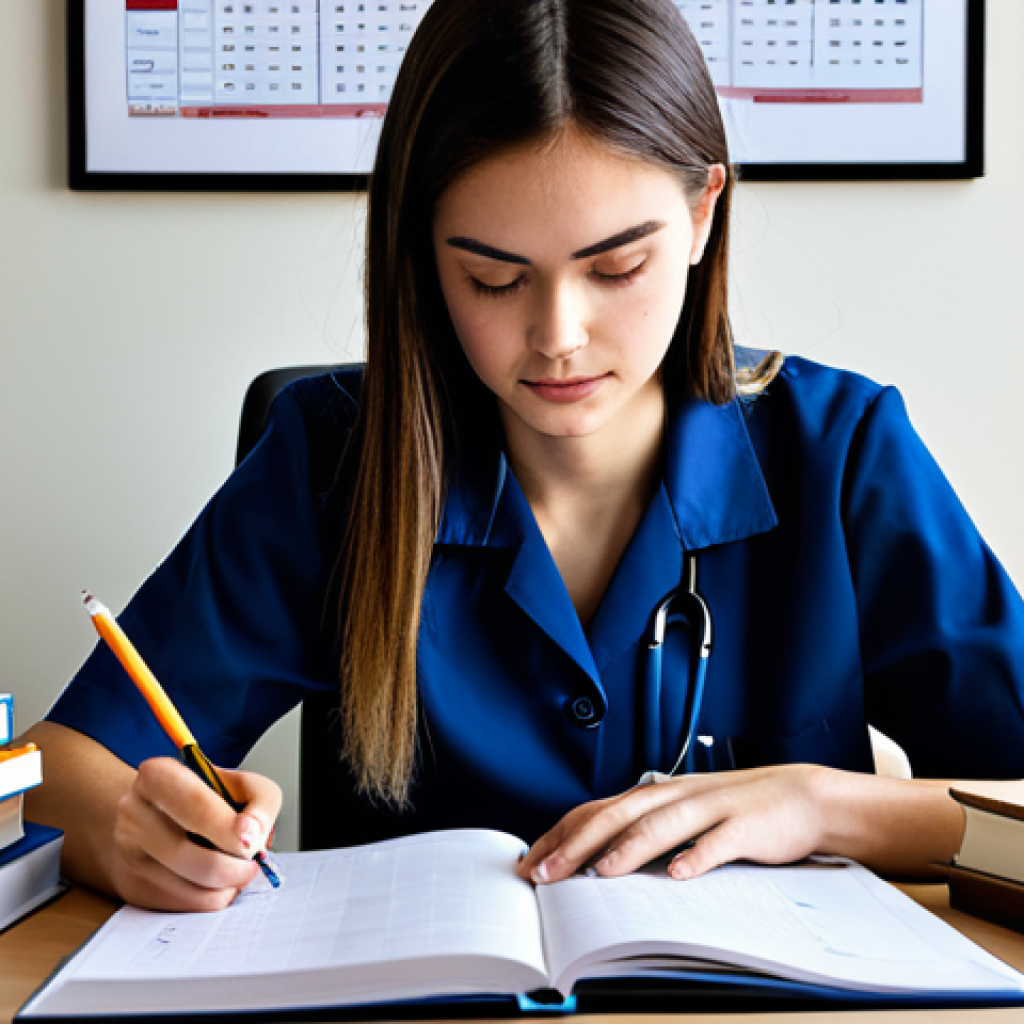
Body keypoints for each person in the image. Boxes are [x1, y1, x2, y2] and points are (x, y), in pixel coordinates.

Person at [22, 0, 1024, 913]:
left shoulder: (843, 450)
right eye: (493, 278)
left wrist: (824, 807)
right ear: (422, 254)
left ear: (702, 217)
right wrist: (135, 831)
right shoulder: (331, 456)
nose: (557, 334)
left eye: (616, 266)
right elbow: (60, 764)